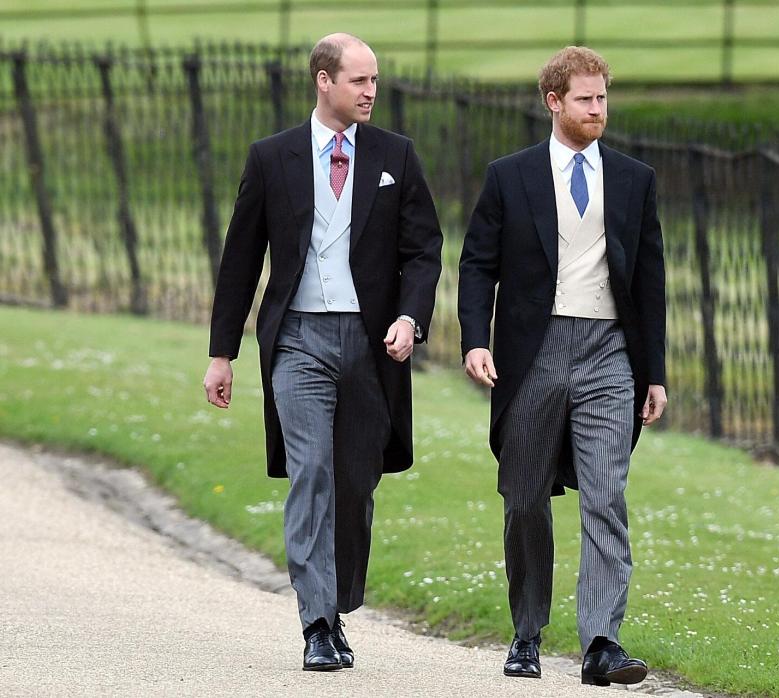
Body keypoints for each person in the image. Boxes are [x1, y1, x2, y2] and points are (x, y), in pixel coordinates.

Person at [202, 33, 442, 672]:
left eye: (375, 81)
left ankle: (336, 605)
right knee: (311, 473)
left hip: (370, 345)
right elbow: (241, 258)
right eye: (360, 81)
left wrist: (410, 318)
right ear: (323, 81)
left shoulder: (397, 156)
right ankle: (315, 622)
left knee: (354, 483)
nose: (371, 92)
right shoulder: (272, 157)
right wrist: (221, 352)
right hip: (298, 341)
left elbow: (425, 250)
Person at [457, 46, 667, 687]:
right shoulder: (510, 175)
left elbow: (651, 279)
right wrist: (474, 340)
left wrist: (653, 371)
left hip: (609, 352)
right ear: (554, 102)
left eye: (603, 97)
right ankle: (526, 634)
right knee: (525, 499)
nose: (598, 109)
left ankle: (603, 641)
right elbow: (476, 264)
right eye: (585, 98)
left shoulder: (634, 179)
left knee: (607, 494)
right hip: (532, 353)